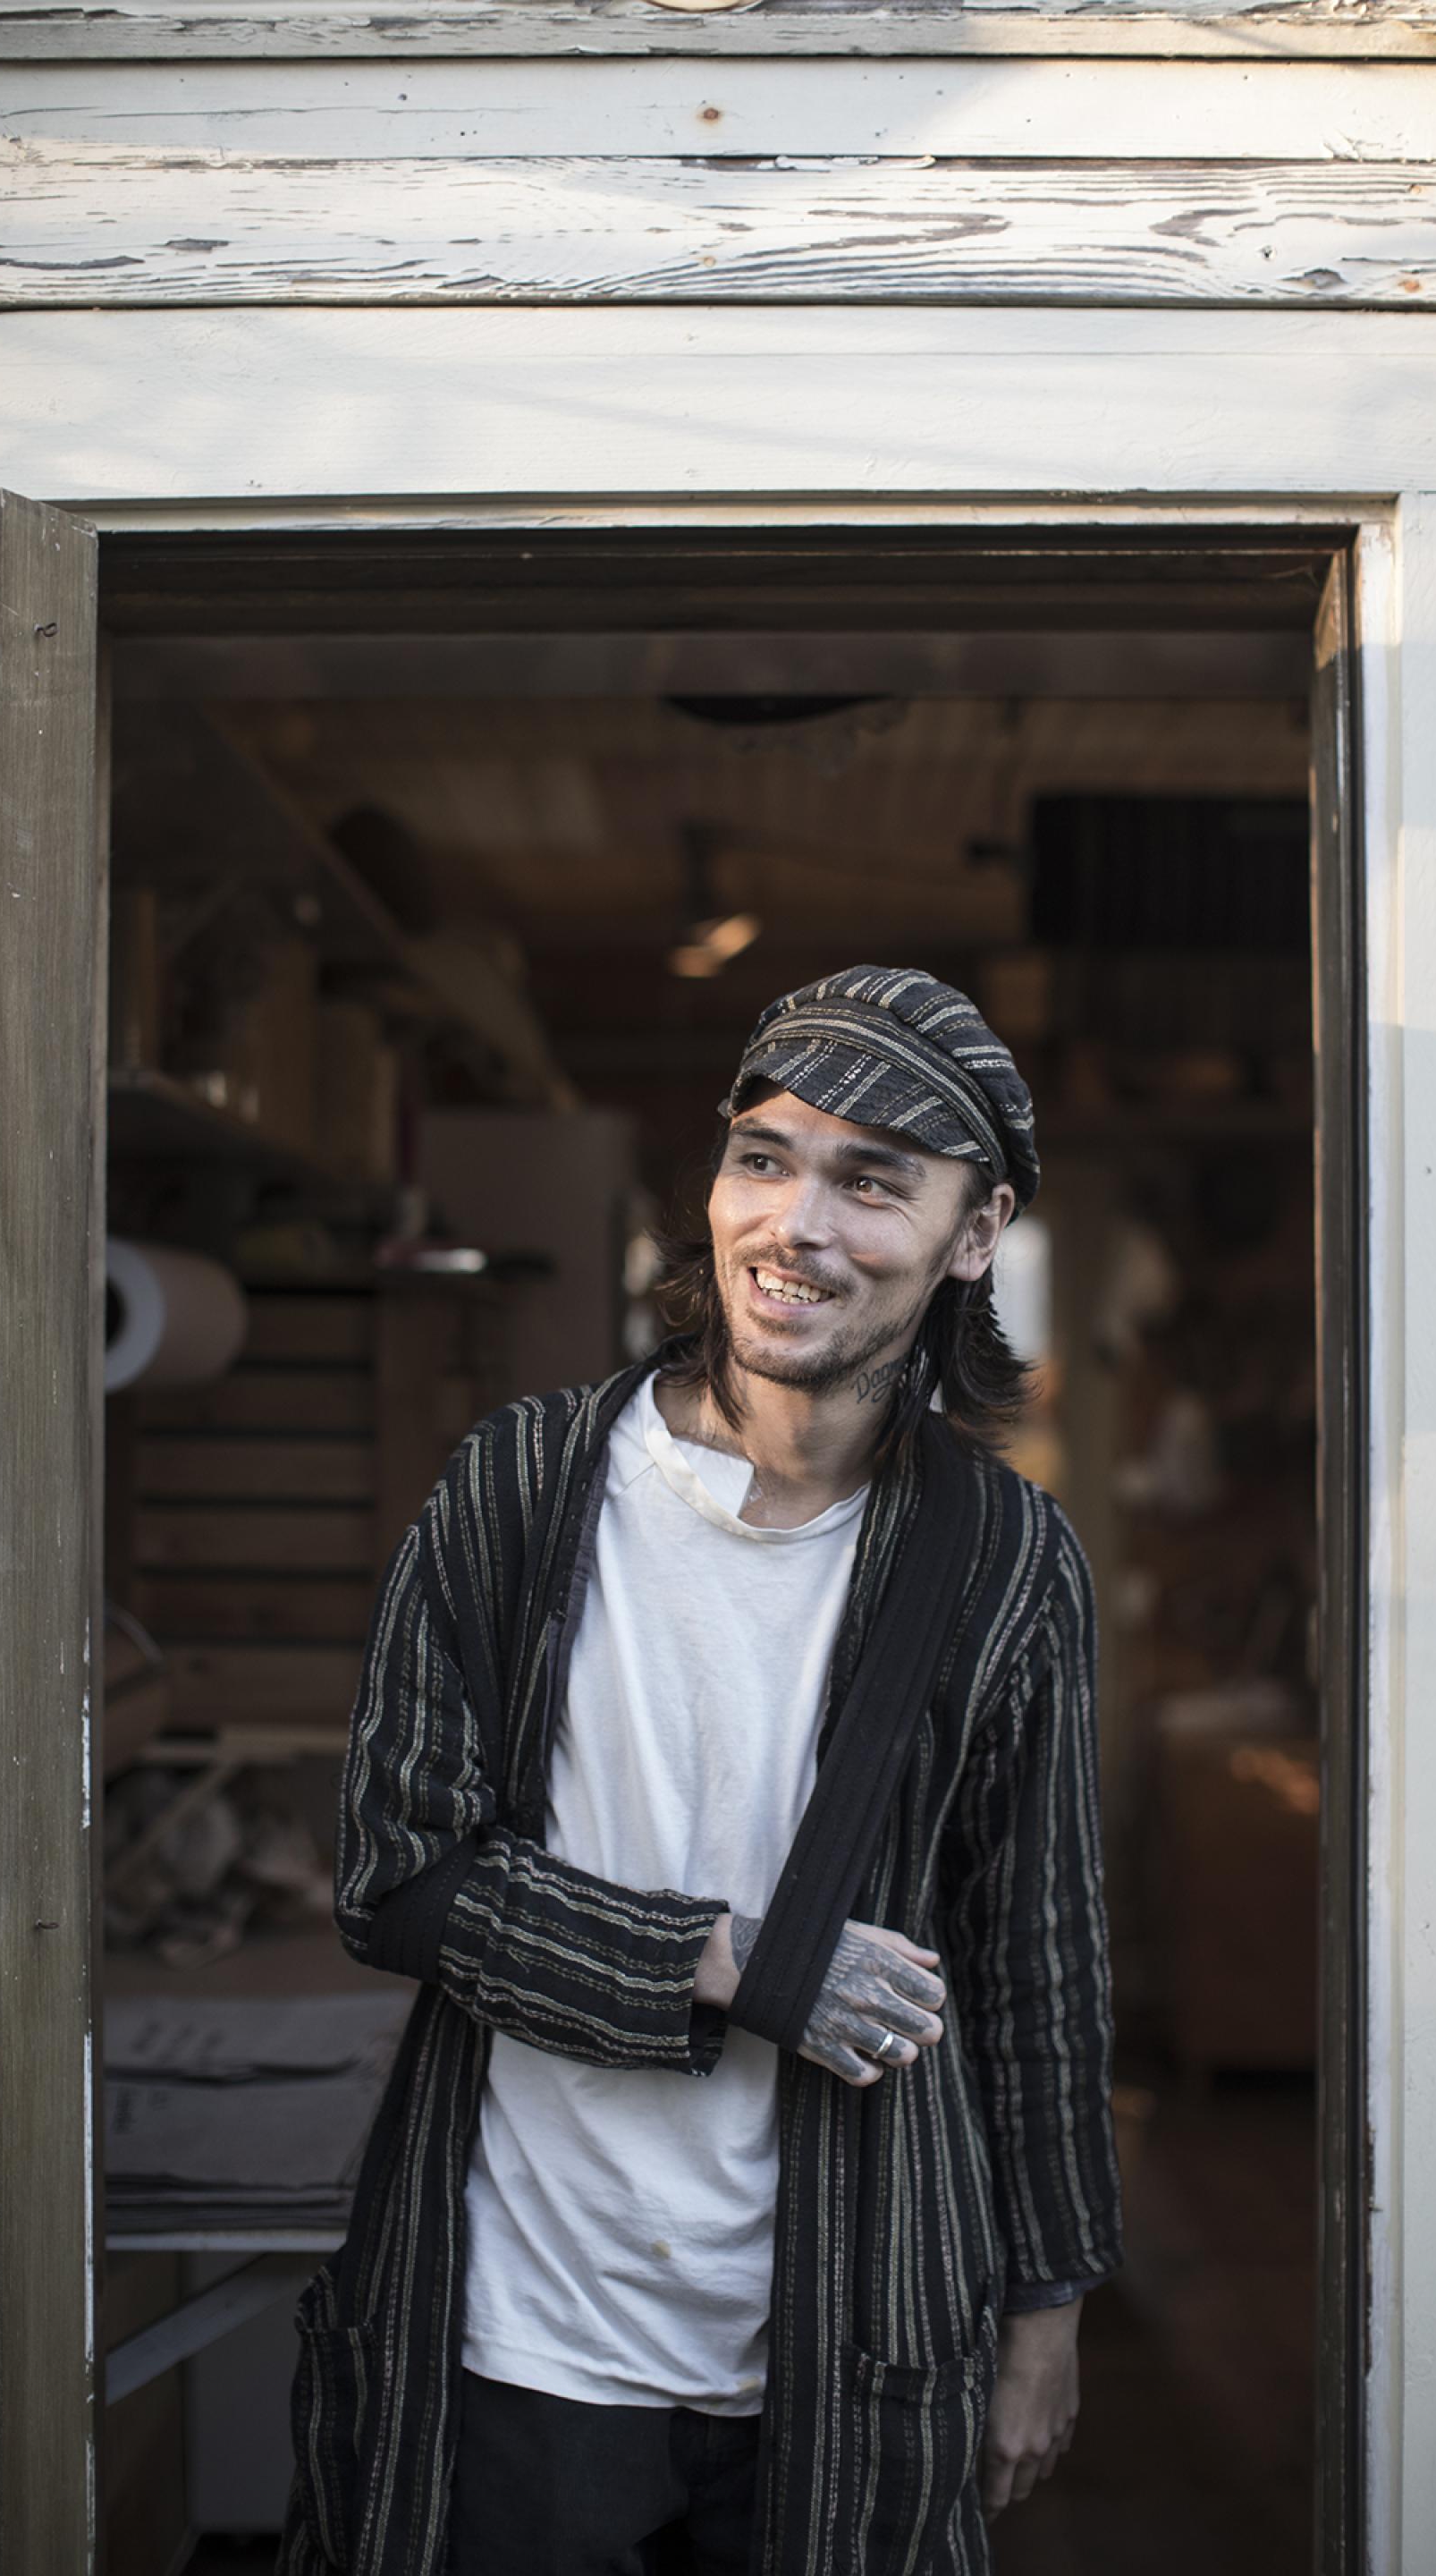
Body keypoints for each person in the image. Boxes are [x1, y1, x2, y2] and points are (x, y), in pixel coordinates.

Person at [278, 964, 1122, 2576]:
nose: (794, 1223)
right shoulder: (524, 1486)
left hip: (855, 2326)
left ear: (973, 1230)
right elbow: (397, 1872)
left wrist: (1051, 2312)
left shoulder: (1008, 1561)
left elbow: (1045, 1966)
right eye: (764, 1157)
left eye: (872, 1181)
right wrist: (723, 1965)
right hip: (519, 2324)